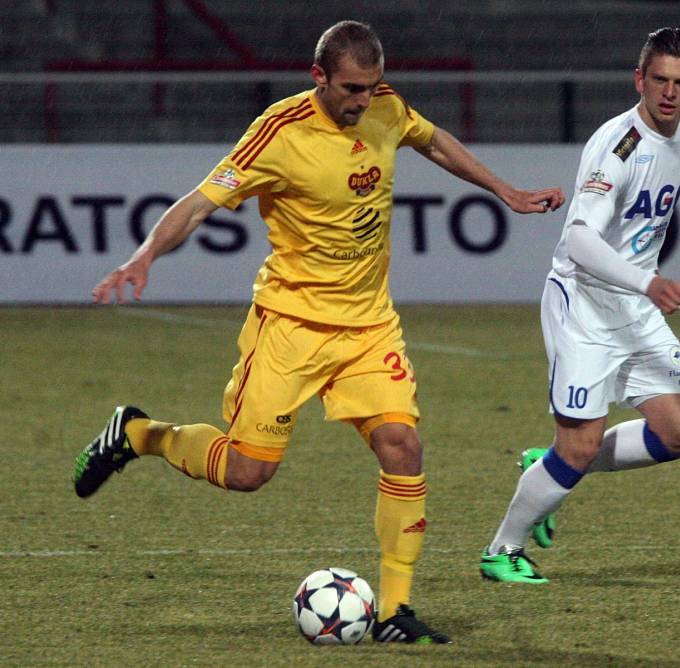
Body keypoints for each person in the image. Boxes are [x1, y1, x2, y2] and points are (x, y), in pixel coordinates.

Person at [72, 20, 565, 641]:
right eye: (353, 88)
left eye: (374, 86)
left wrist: (504, 191)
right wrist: (145, 255)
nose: (365, 100)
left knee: (402, 447)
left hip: (367, 327)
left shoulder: (385, 108)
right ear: (319, 78)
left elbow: (432, 140)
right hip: (291, 327)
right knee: (248, 472)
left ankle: (394, 612)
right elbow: (200, 201)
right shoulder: (278, 133)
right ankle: (140, 434)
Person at [479, 27, 680, 583]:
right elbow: (579, 241)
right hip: (584, 304)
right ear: (639, 80)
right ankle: (501, 550)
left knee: (679, 432)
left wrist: (642, 288)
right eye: (658, 81)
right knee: (578, 443)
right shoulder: (617, 147)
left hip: (634, 306)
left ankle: (549, 465)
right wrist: (648, 283)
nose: (668, 93)